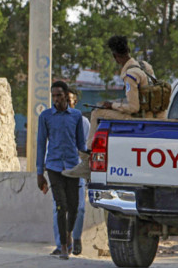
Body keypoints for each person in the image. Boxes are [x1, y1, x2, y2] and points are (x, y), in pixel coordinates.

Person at [63, 35, 157, 179]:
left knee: (97, 113)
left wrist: (112, 105)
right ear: (128, 50)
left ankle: (88, 157)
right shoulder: (144, 66)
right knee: (104, 107)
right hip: (151, 115)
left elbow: (133, 107)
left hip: (138, 117)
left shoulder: (130, 75)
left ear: (115, 56)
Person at [36, 81, 87, 259]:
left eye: (59, 95)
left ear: (66, 95)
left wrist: (88, 164)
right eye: (53, 95)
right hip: (54, 166)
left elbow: (81, 144)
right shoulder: (46, 116)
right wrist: (39, 173)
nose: (55, 99)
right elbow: (41, 144)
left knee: (73, 207)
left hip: (72, 167)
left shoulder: (77, 116)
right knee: (61, 205)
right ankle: (64, 246)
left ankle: (68, 233)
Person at [50, 88, 89, 256]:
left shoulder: (83, 121)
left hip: (76, 169)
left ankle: (76, 236)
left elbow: (85, 146)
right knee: (58, 208)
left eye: (71, 100)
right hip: (58, 168)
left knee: (79, 208)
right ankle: (61, 244)